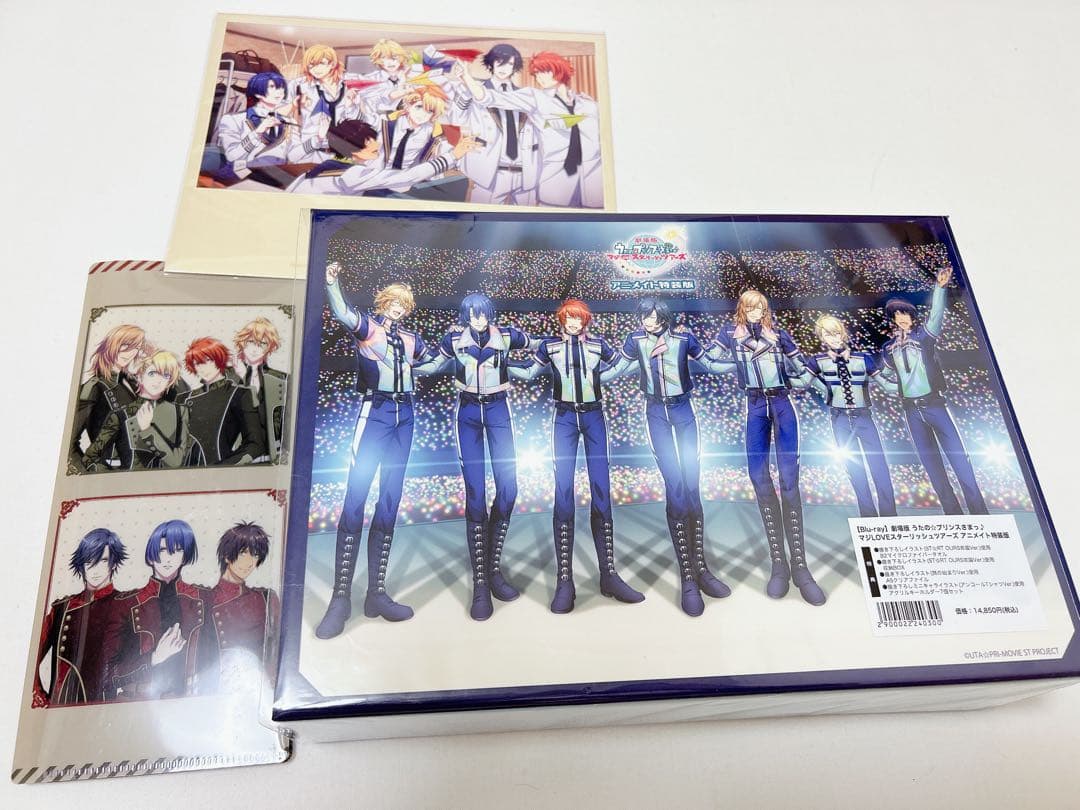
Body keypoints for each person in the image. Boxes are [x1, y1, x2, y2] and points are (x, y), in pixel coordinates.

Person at [315, 266, 446, 638]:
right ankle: (341, 598)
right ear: (384, 302)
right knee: (355, 498)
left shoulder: (411, 339)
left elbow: (434, 362)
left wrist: (454, 350)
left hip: (406, 414)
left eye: (403, 304)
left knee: (390, 500)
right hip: (375, 411)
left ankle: (376, 593)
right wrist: (332, 283)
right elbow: (342, 313)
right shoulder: (368, 328)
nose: (398, 308)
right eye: (393, 302)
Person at [600, 298, 735, 616]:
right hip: (656, 413)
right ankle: (688, 576)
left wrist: (741, 362)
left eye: (652, 316)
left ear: (663, 316)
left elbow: (710, 364)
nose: (647, 321)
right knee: (675, 489)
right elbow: (616, 370)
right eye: (643, 316)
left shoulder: (684, 338)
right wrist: (581, 372)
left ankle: (702, 569)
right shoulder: (635, 340)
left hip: (684, 410)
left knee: (692, 487)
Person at [509, 299, 643, 612]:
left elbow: (618, 367)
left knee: (602, 492)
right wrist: (499, 363)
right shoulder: (551, 346)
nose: (573, 322)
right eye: (569, 317)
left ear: (585, 320)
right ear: (562, 318)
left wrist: (645, 356)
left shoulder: (598, 345)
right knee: (564, 493)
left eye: (578, 318)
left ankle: (609, 575)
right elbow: (530, 372)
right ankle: (564, 581)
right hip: (564, 417)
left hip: (595, 416)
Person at [711, 290, 826, 606]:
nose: (755, 311)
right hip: (754, 405)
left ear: (765, 309)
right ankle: (779, 564)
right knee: (759, 477)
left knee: (789, 481)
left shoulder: (779, 335)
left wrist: (819, 385)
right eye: (750, 307)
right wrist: (735, 364)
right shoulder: (729, 334)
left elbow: (802, 369)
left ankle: (800, 567)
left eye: (760, 307)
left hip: (782, 403)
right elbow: (708, 360)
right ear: (742, 308)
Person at [434, 293, 535, 620]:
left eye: (483, 314)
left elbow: (539, 345)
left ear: (490, 314)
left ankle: (492, 568)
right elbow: (431, 363)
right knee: (476, 494)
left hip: (498, 409)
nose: (478, 319)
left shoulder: (506, 335)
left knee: (508, 488)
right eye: (473, 314)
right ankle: (481, 583)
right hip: (467, 413)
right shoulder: (453, 339)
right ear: (466, 316)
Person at [881, 267, 988, 514]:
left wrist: (939, 288)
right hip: (911, 411)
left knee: (960, 461)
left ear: (912, 315)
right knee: (932, 467)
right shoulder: (888, 348)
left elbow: (936, 316)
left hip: (934, 405)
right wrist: (898, 389)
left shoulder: (924, 336)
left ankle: (980, 514)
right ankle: (953, 515)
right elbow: (883, 376)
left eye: (904, 313)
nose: (901, 317)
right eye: (896, 314)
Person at [456, 51, 603, 208]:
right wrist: (466, 77)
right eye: (536, 73)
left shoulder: (588, 105)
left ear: (560, 69)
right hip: (556, 182)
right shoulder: (535, 97)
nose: (539, 77)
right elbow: (489, 97)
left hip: (592, 182)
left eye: (545, 71)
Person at [804, 315, 898, 517]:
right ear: (822, 337)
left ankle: (889, 516)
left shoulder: (862, 358)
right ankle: (868, 518)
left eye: (836, 332)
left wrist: (908, 384)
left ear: (843, 333)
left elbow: (886, 385)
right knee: (855, 470)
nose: (834, 337)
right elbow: (802, 382)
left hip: (864, 418)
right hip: (839, 420)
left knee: (879, 467)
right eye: (828, 334)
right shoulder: (817, 361)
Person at [109, 521, 207, 700]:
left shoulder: (201, 598)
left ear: (185, 556)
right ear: (150, 556)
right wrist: (155, 657)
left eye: (177, 551)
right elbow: (110, 674)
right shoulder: (127, 603)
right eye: (162, 550)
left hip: (188, 703)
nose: (168, 559)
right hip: (139, 702)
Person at [33, 529, 129, 706]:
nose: (95, 569)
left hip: (106, 710)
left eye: (103, 561)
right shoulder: (62, 608)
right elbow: (30, 657)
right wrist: (40, 697)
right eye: (89, 561)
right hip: (62, 708)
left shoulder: (125, 604)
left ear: (114, 563)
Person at [446, 44, 540, 205]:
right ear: (491, 63)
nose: (504, 68)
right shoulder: (473, 90)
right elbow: (456, 118)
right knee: (482, 217)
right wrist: (466, 87)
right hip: (488, 172)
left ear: (515, 67)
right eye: (499, 62)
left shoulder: (523, 95)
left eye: (509, 64)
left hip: (525, 173)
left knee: (526, 218)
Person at [286, 119, 480, 196]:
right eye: (372, 149)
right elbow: (407, 177)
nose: (377, 150)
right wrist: (453, 156)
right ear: (354, 151)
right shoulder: (352, 174)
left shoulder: (327, 165)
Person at [200, 523, 279, 691]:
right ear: (227, 556)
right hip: (215, 688)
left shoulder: (266, 598)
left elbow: (278, 649)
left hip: (259, 686)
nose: (249, 562)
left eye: (255, 555)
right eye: (243, 553)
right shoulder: (204, 599)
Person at [82, 351, 192, 471]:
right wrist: (113, 476)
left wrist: (147, 430)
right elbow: (89, 458)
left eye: (166, 376)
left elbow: (177, 462)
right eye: (152, 373)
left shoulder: (180, 411)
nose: (158, 380)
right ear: (140, 376)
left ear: (170, 381)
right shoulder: (121, 415)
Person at [69, 325, 152, 473]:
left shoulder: (134, 383)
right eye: (126, 345)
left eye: (136, 347)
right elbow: (70, 444)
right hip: (110, 470)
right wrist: (89, 473)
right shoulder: (93, 387)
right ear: (112, 344)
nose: (130, 352)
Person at [181, 338, 264, 466]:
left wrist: (226, 466)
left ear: (219, 359)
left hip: (219, 470)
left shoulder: (239, 394)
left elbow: (255, 445)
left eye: (208, 360)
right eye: (197, 363)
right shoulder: (182, 399)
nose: (203, 368)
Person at [215, 71, 303, 181]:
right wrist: (258, 132)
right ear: (257, 93)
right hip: (243, 174)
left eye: (281, 87)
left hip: (277, 175)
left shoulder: (289, 121)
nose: (280, 91)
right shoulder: (233, 119)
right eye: (272, 87)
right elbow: (232, 156)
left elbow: (296, 154)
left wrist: (317, 140)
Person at [232, 318, 289, 463]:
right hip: (237, 457)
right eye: (250, 342)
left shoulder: (280, 379)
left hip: (271, 457)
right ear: (242, 342)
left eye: (262, 344)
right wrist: (243, 378)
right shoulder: (228, 378)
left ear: (270, 347)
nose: (255, 349)